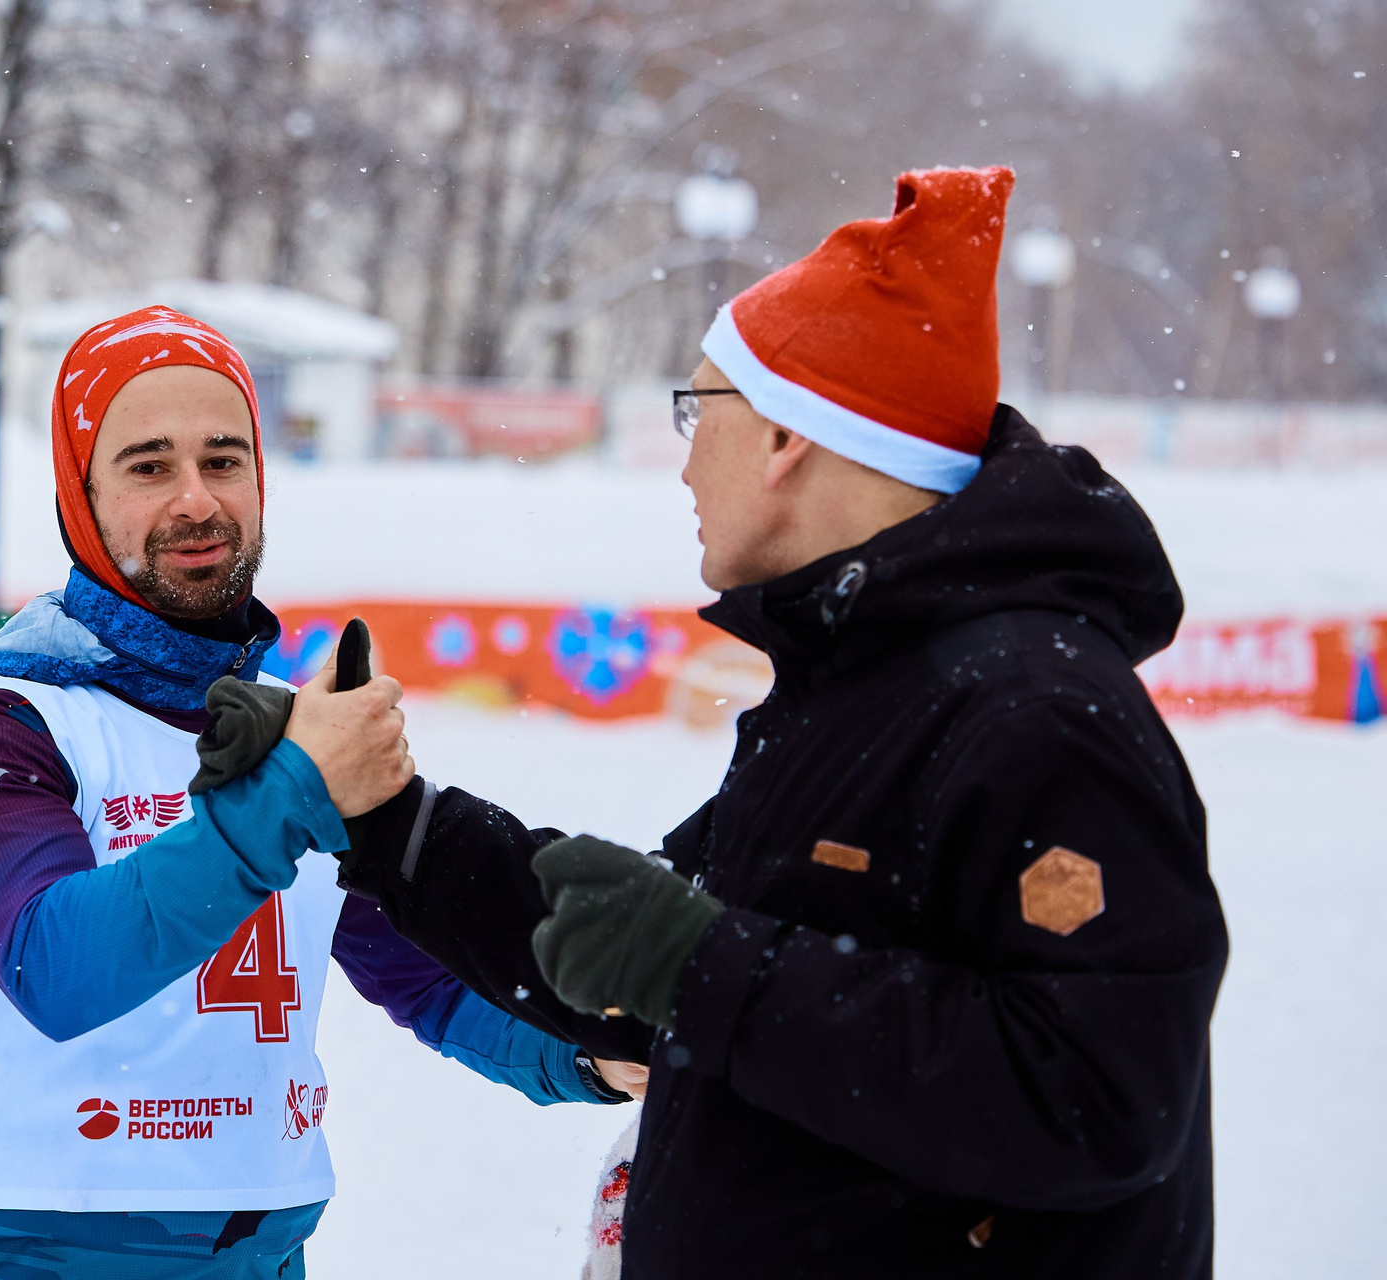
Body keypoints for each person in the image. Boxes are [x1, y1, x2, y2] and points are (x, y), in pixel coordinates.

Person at [315, 167, 1229, 1278]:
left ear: (789, 437)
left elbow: (1095, 1097)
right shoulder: (854, 686)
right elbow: (627, 950)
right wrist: (389, 822)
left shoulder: (1035, 706)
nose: (684, 459)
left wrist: (705, 967)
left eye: (698, 409)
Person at [0, 306, 636, 1280]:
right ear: (81, 499)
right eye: (149, 466)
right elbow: (54, 965)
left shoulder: (289, 729)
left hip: (262, 1255)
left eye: (223, 460)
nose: (197, 499)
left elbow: (432, 978)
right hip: (34, 1257)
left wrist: (587, 1052)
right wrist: (295, 787)